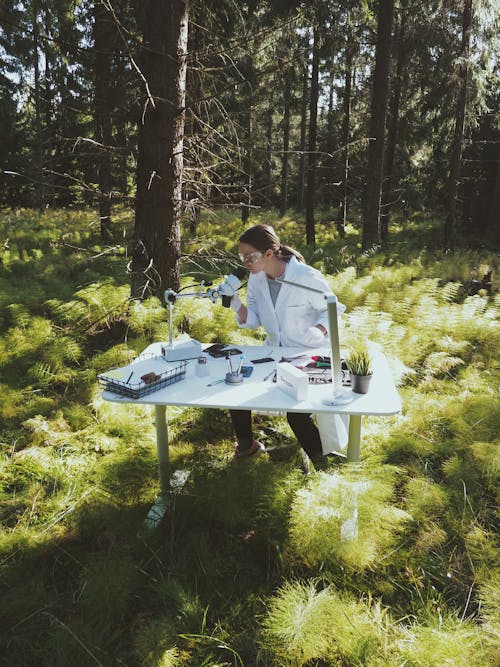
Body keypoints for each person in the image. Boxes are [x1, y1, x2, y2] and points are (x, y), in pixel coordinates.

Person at [228, 223, 345, 462]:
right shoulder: (256, 279)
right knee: (235, 388)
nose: (245, 263)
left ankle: (323, 462)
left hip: (308, 352)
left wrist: (319, 328)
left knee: (297, 414)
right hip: (274, 352)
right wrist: (236, 305)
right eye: (242, 257)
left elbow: (333, 309)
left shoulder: (304, 276)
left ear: (269, 254)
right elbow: (254, 321)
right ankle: (247, 446)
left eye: (249, 257)